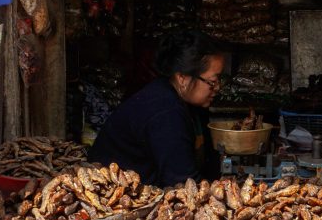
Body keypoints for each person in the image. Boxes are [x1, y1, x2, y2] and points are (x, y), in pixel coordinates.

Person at [89, 29, 225, 187]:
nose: (217, 87)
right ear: (182, 78)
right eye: (213, 81)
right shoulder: (165, 113)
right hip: (116, 195)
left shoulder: (187, 103)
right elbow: (181, 183)